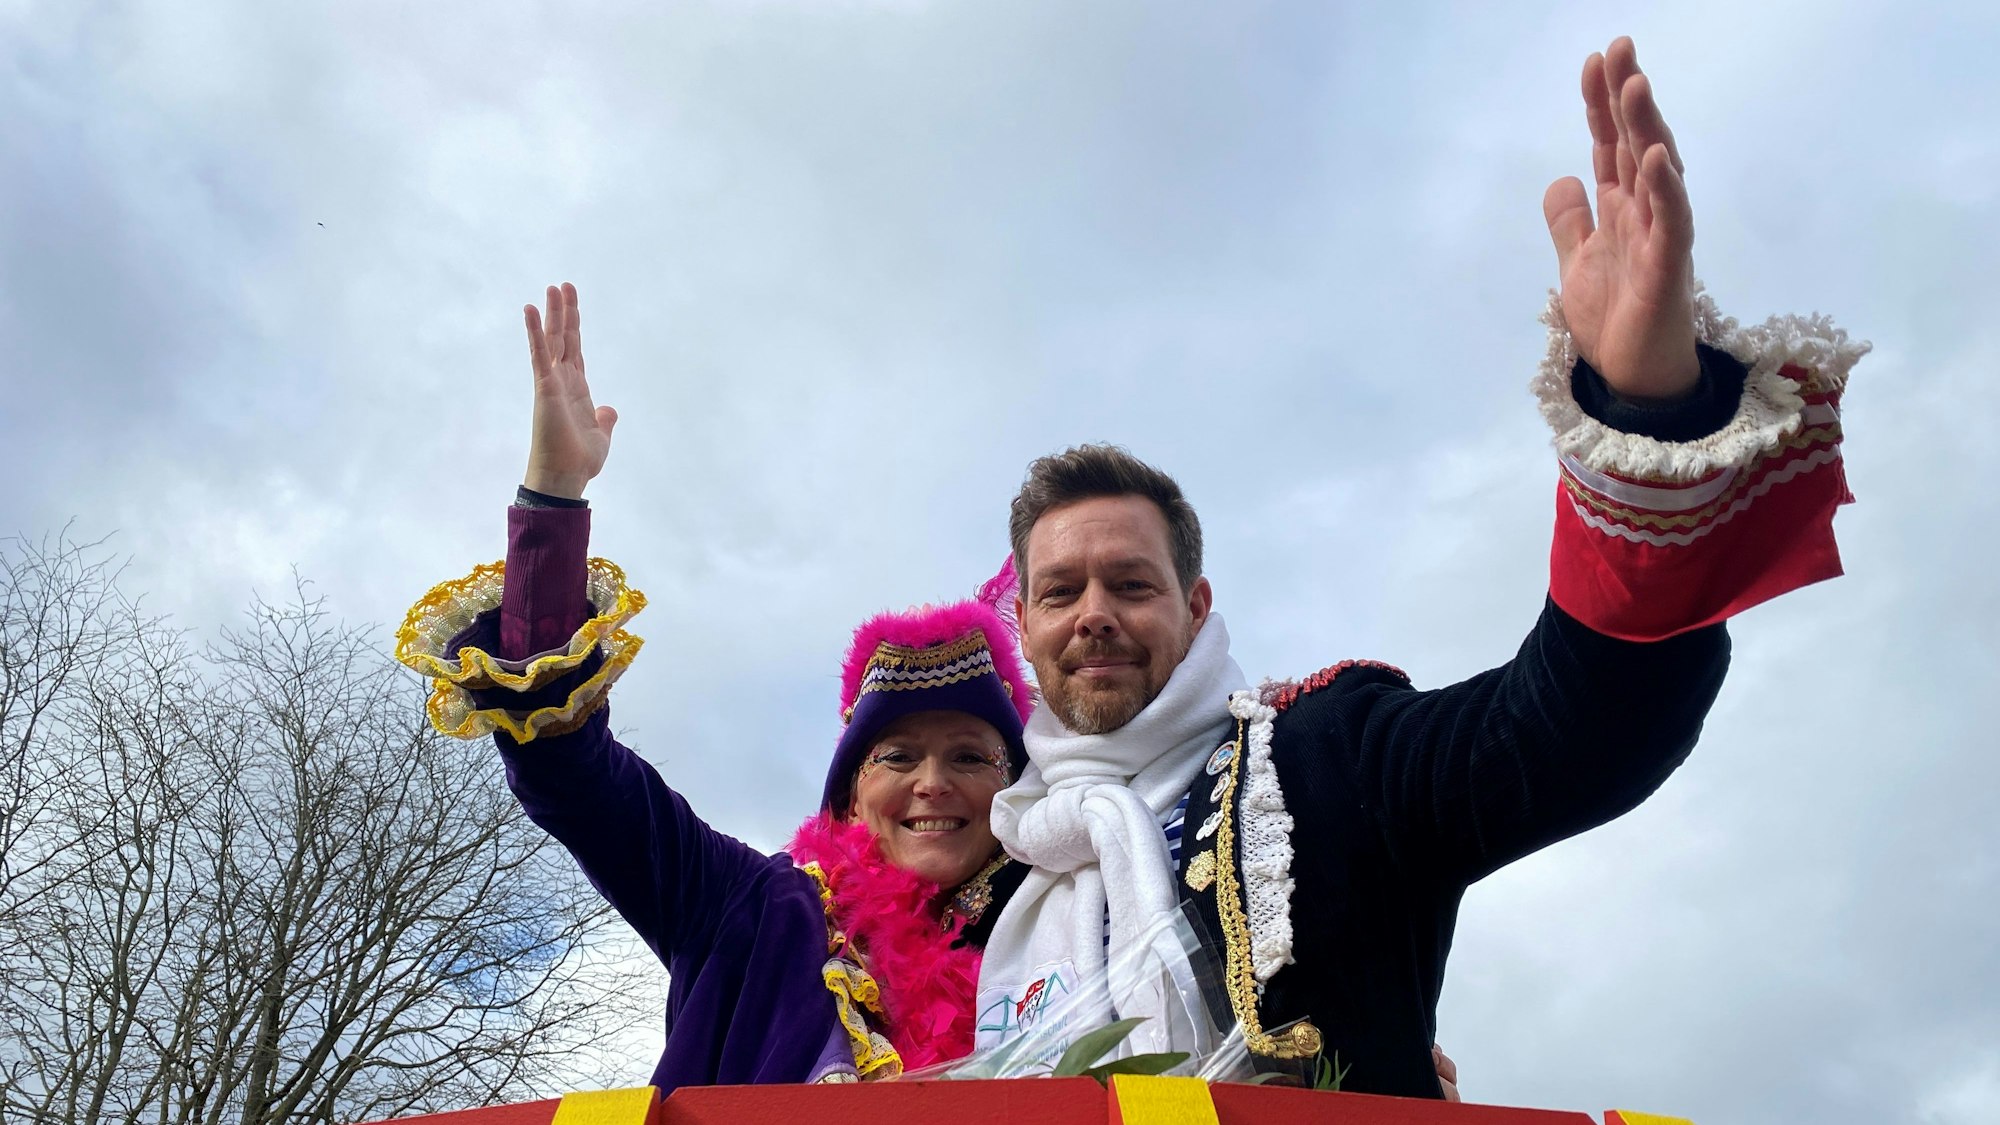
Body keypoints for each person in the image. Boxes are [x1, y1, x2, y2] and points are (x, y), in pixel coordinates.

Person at [968, 36, 1865, 1100]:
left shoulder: (1325, 757)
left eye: (1130, 583)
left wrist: (1642, 407)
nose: (1095, 616)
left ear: (1195, 604)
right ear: (1021, 622)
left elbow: (1571, 732)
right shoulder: (994, 877)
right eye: (1060, 593)